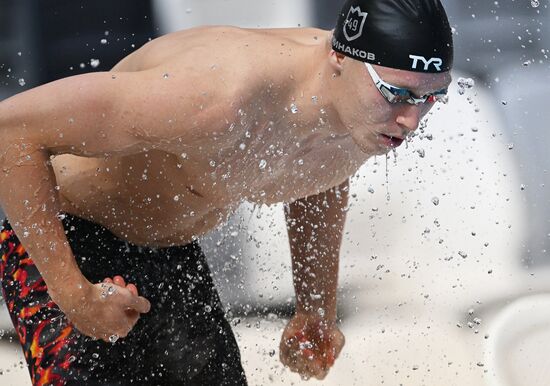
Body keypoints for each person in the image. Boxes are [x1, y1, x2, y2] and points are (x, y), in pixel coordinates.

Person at [0, 0, 453, 384]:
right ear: (341, 58)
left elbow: (321, 175)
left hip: (172, 255)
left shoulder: (360, 113)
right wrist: (73, 294)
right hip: (67, 241)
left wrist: (315, 308)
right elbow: (12, 132)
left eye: (432, 98)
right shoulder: (215, 96)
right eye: (396, 93)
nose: (411, 120)